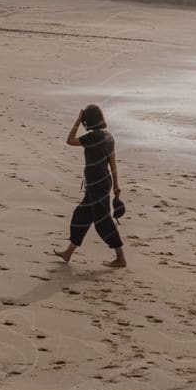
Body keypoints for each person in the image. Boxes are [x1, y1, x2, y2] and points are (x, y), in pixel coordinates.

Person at [56, 103, 126, 269]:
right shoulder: (109, 136)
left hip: (97, 184)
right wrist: (116, 184)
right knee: (81, 215)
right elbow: (113, 164)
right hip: (102, 183)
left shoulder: (92, 137)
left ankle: (121, 257)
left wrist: (77, 120)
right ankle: (68, 252)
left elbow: (69, 140)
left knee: (102, 221)